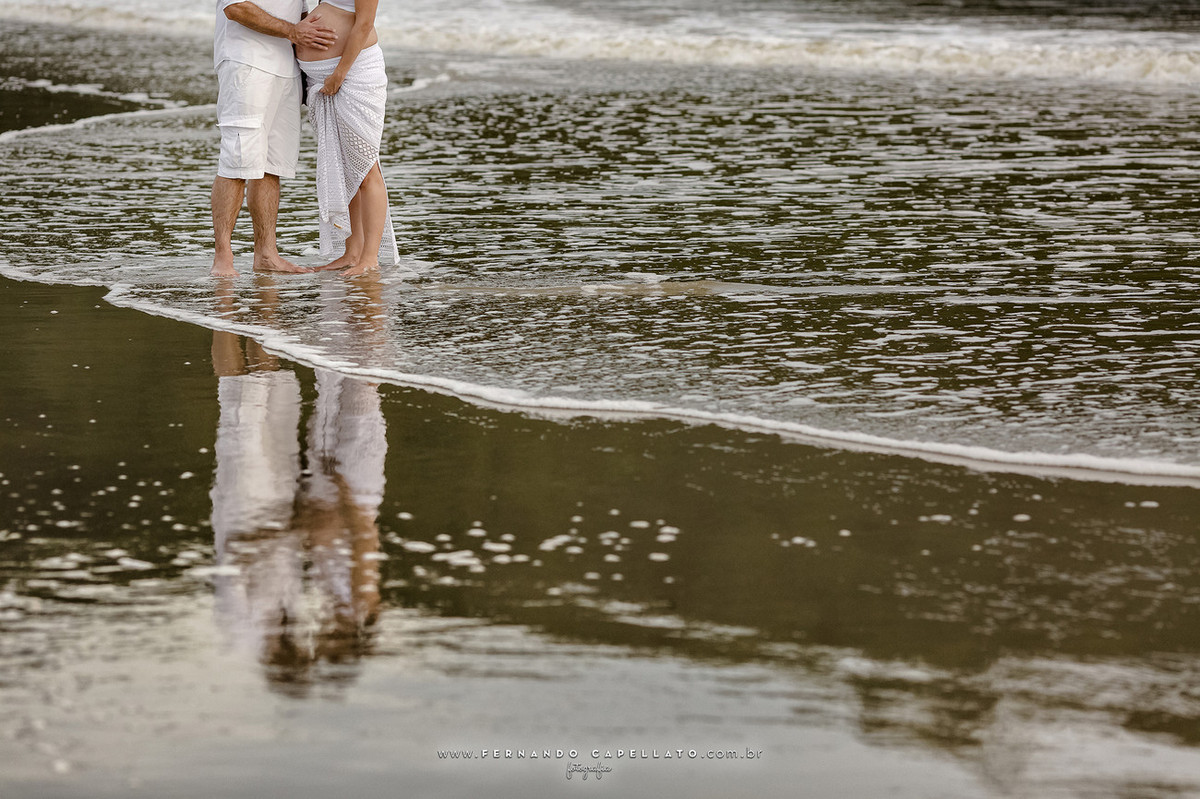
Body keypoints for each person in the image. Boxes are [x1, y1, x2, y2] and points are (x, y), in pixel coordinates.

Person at [210, 0, 338, 277]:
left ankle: (266, 254)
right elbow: (235, 8)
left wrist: (313, 73)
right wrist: (293, 31)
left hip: (287, 69)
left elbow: (304, 15)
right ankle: (223, 258)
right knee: (237, 161)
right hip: (246, 62)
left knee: (272, 166)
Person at [296, 0, 400, 277]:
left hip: (354, 74)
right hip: (322, 78)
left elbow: (364, 23)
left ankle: (370, 257)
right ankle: (352, 252)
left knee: (366, 165)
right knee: (346, 167)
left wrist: (339, 73)